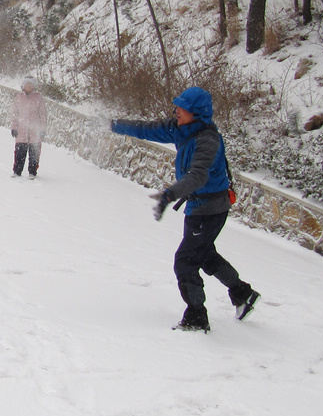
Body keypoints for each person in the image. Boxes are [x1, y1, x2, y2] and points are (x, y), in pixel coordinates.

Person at [110, 86, 260, 331]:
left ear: (196, 113)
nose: (176, 111)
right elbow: (145, 129)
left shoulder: (207, 140)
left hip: (211, 207)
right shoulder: (180, 129)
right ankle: (243, 294)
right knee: (204, 255)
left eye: (182, 108)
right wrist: (112, 124)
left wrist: (170, 194)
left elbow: (198, 176)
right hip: (198, 206)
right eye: (176, 106)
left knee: (186, 261)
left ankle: (196, 316)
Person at [9, 75, 48, 179]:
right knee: (19, 153)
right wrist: (14, 127)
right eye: (27, 84)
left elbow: (43, 114)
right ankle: (17, 171)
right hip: (21, 130)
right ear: (23, 86)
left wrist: (42, 129)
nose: (29, 86)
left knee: (34, 153)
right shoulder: (19, 98)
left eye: (31, 84)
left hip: (35, 130)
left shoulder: (39, 98)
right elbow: (14, 113)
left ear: (34, 86)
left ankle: (32, 171)